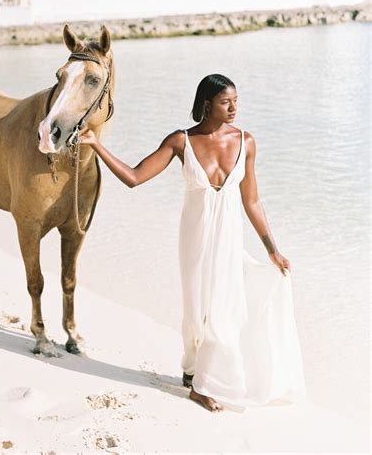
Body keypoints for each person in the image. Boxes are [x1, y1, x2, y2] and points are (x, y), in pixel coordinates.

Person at [79, 73, 306, 413]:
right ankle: (192, 370)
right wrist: (96, 144)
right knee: (195, 312)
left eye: (236, 101)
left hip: (228, 240)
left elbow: (252, 201)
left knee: (223, 311)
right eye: (225, 102)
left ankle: (204, 386)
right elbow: (134, 178)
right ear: (206, 104)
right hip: (195, 239)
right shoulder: (180, 142)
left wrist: (272, 249)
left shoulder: (246, 141)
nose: (233, 108)